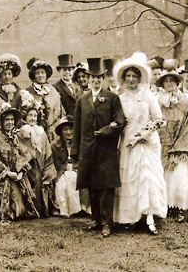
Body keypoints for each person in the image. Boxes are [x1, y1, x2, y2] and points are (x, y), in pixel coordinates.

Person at [113, 52, 167, 235]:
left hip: (148, 142)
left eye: (134, 76)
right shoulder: (120, 99)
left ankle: (149, 217)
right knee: (130, 178)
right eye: (127, 76)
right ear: (123, 79)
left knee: (147, 177)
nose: (130, 79)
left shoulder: (149, 95)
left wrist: (146, 134)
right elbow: (119, 122)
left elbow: (160, 119)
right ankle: (130, 217)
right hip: (129, 142)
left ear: (139, 78)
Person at [72, 57, 125, 237]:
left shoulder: (112, 98)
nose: (95, 81)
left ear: (103, 79)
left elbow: (119, 122)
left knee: (105, 187)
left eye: (99, 78)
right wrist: (75, 154)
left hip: (106, 150)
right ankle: (96, 220)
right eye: (92, 78)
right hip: (88, 150)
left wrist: (105, 131)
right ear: (87, 79)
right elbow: (76, 129)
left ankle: (106, 223)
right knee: (92, 186)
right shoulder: (82, 100)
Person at [0, 105, 39, 222]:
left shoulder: (14, 137)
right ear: (2, 121)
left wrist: (20, 172)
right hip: (1, 177)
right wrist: (7, 173)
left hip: (15, 174)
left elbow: (21, 155)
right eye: (7, 120)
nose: (10, 122)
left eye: (12, 120)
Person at [156, 64, 188, 223]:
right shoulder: (158, 102)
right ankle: (167, 207)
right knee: (165, 178)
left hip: (180, 146)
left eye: (172, 81)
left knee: (179, 178)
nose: (169, 84)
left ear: (177, 82)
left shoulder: (185, 102)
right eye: (166, 81)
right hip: (163, 144)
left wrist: (179, 147)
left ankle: (181, 208)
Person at [18, 98, 58, 217]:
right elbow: (19, 151)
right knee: (32, 176)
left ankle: (43, 209)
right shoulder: (21, 133)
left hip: (40, 165)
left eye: (35, 116)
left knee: (42, 177)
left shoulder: (41, 133)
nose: (32, 118)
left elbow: (47, 151)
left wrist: (47, 169)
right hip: (26, 166)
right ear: (25, 117)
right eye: (30, 115)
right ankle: (30, 210)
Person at [26, 58, 64, 141]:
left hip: (53, 133)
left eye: (42, 72)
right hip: (34, 133)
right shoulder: (27, 92)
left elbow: (60, 113)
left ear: (46, 74)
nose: (40, 75)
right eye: (37, 73)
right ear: (33, 76)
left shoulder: (53, 91)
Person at [52, 116, 82, 217]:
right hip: (61, 171)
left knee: (71, 178)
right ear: (61, 132)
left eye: (71, 129)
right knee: (62, 184)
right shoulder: (55, 145)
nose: (69, 132)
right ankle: (65, 210)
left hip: (76, 169)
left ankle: (74, 209)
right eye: (65, 129)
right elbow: (55, 164)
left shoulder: (79, 143)